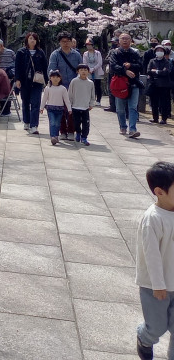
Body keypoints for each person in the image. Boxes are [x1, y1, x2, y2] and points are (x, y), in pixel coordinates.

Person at [135, 161, 174, 360]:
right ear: (160, 192)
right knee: (157, 326)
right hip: (155, 286)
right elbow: (152, 256)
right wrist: (158, 285)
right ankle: (145, 337)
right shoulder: (153, 219)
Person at [111, 32, 144, 138]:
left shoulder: (135, 53)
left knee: (133, 107)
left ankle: (133, 129)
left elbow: (140, 66)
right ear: (119, 41)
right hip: (120, 84)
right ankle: (123, 126)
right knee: (120, 108)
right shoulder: (115, 53)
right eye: (122, 38)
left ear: (131, 41)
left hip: (133, 83)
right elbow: (113, 66)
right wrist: (125, 71)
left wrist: (131, 65)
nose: (125, 40)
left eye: (127, 38)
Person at [15, 32, 49, 135]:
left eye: (34, 38)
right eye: (30, 38)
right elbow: (17, 67)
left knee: (35, 103)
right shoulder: (21, 52)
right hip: (25, 81)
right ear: (27, 40)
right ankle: (26, 121)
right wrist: (17, 79)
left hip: (37, 82)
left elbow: (45, 67)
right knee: (25, 102)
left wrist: (47, 82)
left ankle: (34, 125)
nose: (32, 40)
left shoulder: (40, 52)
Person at [40, 69, 72, 146]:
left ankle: (56, 136)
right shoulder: (48, 88)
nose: (55, 78)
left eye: (57, 77)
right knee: (52, 122)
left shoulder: (63, 89)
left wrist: (69, 109)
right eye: (53, 77)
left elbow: (66, 100)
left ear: (60, 78)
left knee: (57, 123)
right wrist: (41, 108)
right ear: (50, 78)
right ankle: (52, 136)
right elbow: (44, 99)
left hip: (60, 109)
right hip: (50, 108)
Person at [68, 63, 95, 146]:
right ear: (78, 71)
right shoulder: (74, 81)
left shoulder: (90, 83)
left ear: (88, 72)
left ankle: (84, 137)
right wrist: (70, 104)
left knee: (86, 124)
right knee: (76, 123)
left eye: (85, 70)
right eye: (81, 70)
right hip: (75, 106)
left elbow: (92, 95)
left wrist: (91, 104)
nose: (83, 72)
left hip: (85, 107)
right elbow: (70, 93)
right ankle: (78, 133)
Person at [147, 46, 172, 125]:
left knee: (163, 103)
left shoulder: (166, 62)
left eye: (161, 50)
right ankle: (155, 118)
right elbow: (149, 71)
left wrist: (156, 71)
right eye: (158, 50)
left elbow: (166, 72)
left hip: (164, 85)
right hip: (154, 84)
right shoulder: (152, 61)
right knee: (154, 102)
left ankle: (164, 119)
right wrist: (159, 72)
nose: (159, 51)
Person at [83, 37, 105, 107]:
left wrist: (93, 69)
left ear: (93, 45)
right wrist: (89, 69)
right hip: (88, 71)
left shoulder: (97, 53)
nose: (88, 46)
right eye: (87, 45)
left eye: (90, 44)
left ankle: (98, 100)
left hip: (97, 71)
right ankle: (90, 100)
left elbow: (100, 63)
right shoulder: (85, 54)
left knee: (98, 86)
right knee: (89, 86)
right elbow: (84, 62)